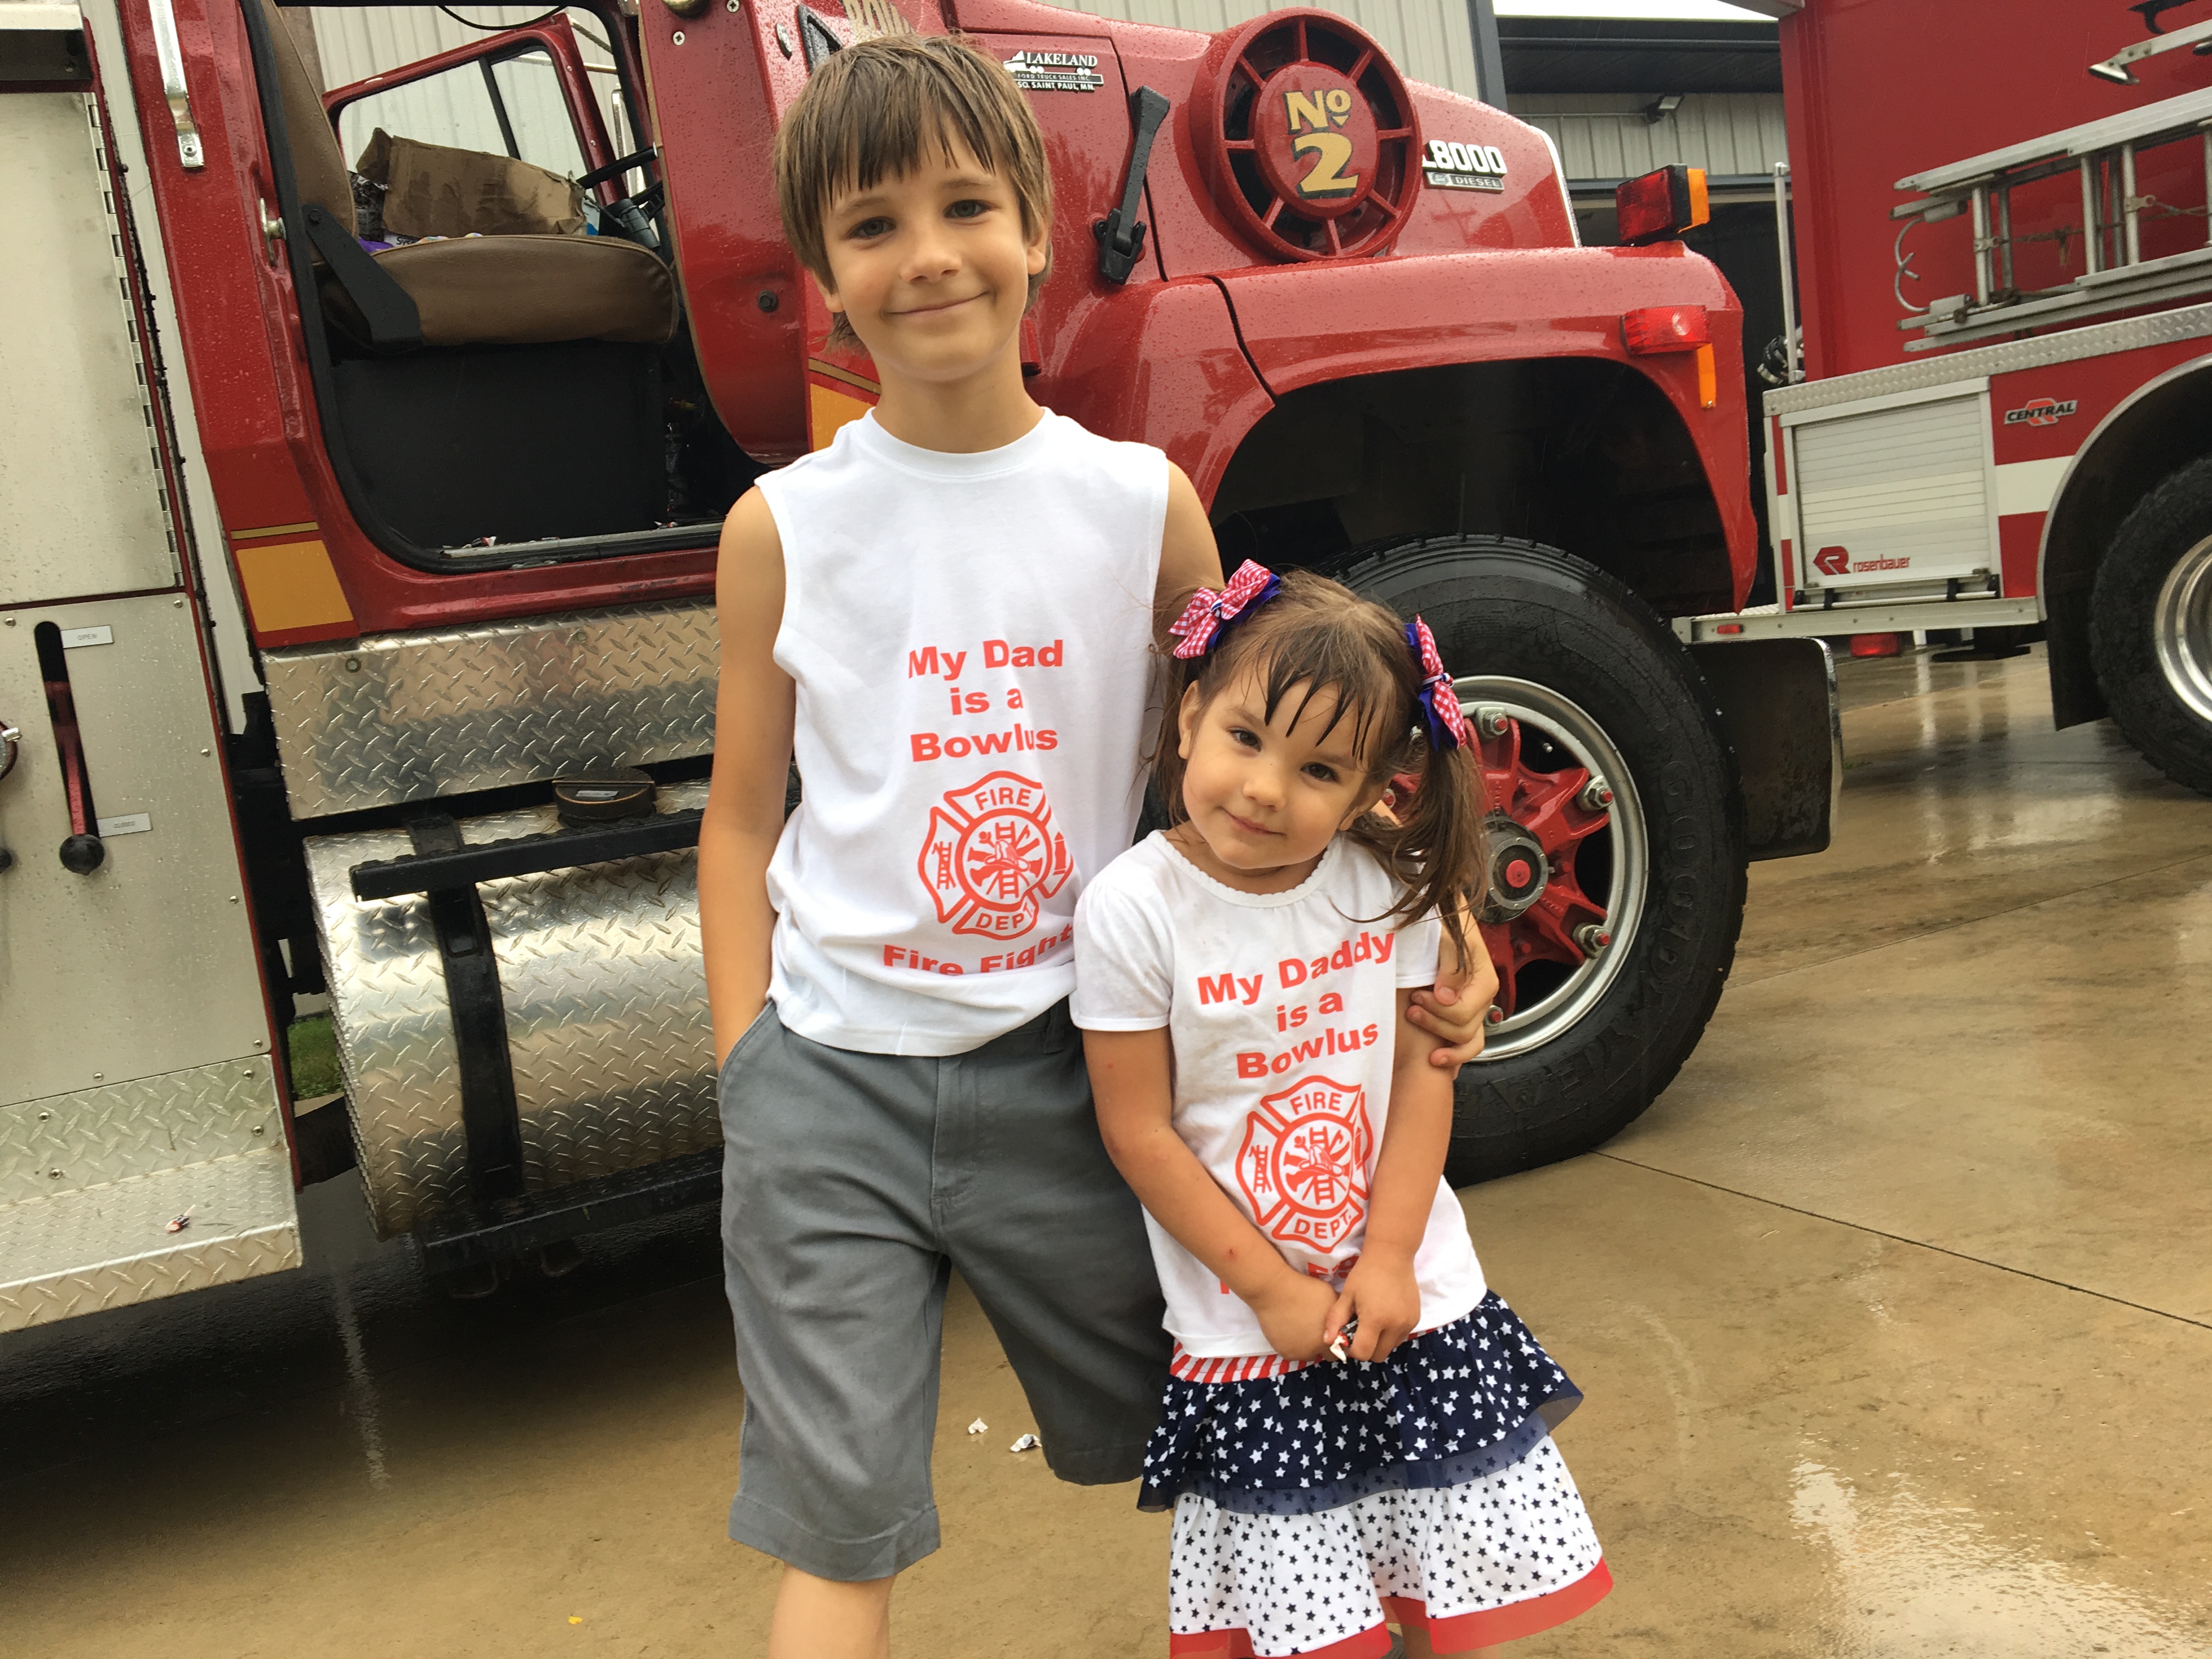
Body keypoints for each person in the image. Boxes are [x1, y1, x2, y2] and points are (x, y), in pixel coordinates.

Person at [694, 34, 1498, 1659]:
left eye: (965, 207)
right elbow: (741, 817)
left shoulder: (1143, 509)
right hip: (829, 1091)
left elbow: (1298, 744)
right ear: (823, 279)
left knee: (1285, 1415)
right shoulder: (781, 530)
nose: (928, 256)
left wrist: (1446, 927)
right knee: (838, 1515)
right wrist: (747, 1069)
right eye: (871, 228)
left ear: (1035, 229)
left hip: (1082, 1071)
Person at [1074, 568, 1610, 1658]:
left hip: (1409, 1298)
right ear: (1190, 717)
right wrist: (1271, 1289)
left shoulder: (1381, 887)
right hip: (1252, 1325)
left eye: (1319, 769)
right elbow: (1138, 1131)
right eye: (1246, 738)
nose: (1265, 790)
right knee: (1312, 1613)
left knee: (1437, 1582)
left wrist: (1395, 1255)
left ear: (1373, 788)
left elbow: (1424, 1072)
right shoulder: (1133, 910)